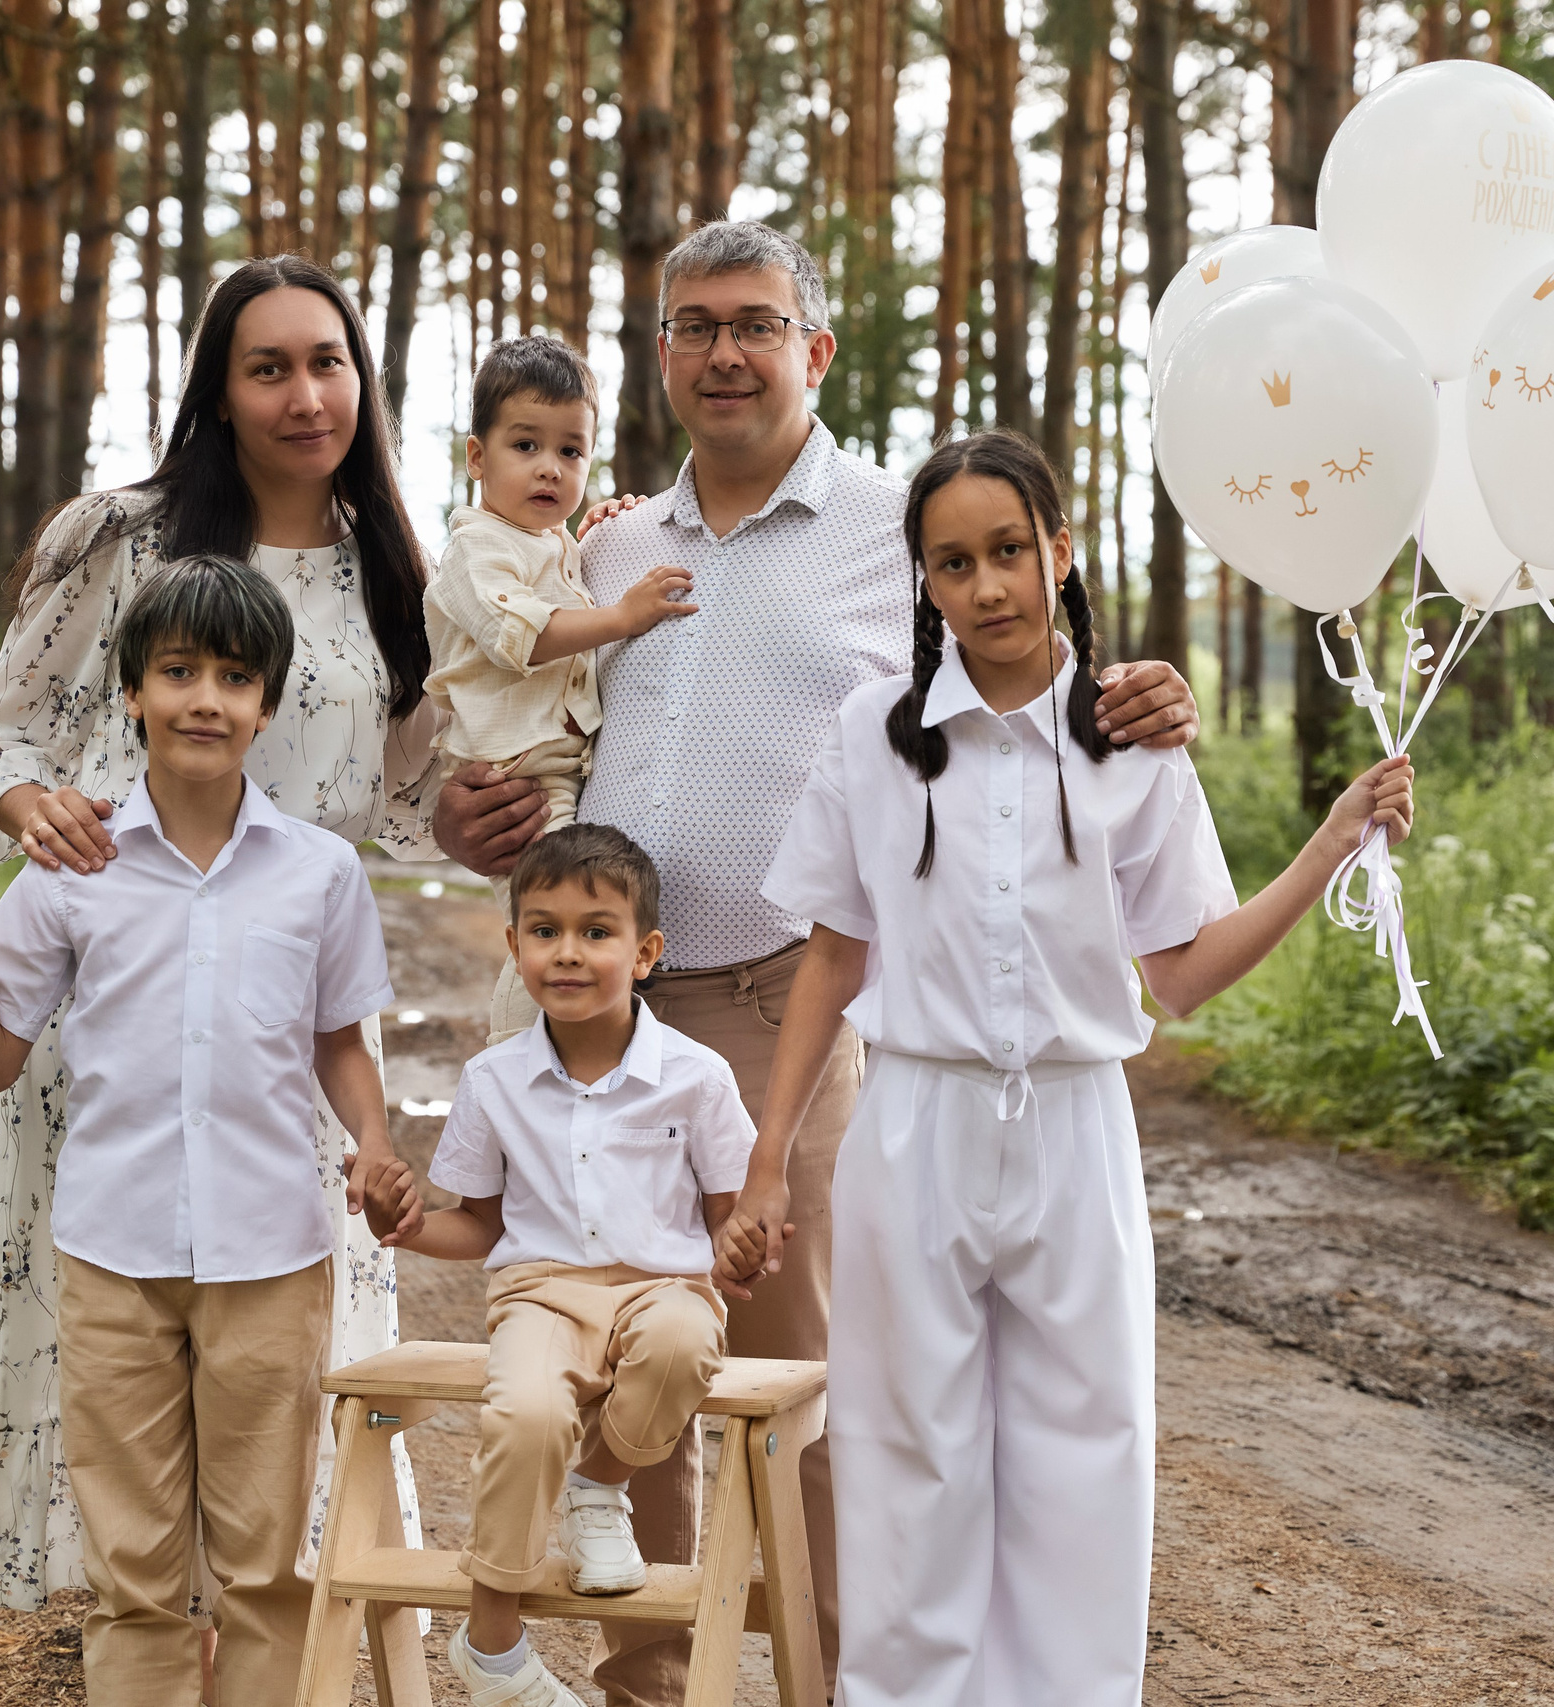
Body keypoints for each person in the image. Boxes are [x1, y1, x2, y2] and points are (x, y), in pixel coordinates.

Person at [435, 220, 1204, 1705]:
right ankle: (649, 1674)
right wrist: (467, 817)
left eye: (758, 323)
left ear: (814, 350)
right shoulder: (602, 544)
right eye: (698, 325)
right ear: (662, 354)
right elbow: (493, 721)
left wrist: (1140, 682)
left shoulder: (886, 530)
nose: (728, 351)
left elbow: (1015, 661)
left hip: (798, 1001)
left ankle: (830, 1675)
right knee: (618, 1353)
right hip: (610, 1020)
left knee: (816, 1377)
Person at [713, 431, 1416, 1707]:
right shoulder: (873, 735)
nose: (986, 588)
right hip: (914, 1121)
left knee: (1084, 1452)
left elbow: (1185, 972)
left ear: (1059, 550)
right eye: (952, 563)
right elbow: (829, 956)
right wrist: (766, 1164)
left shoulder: (1133, 741)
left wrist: (1328, 841)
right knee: (906, 1447)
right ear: (920, 582)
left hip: (1077, 1128)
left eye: (1007, 553)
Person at [0, 255, 442, 1621]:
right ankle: (133, 1614)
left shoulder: (396, 564)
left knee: (290, 1354)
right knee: (118, 1344)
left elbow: (403, 801)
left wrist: (497, 814)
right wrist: (25, 794)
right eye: (267, 366)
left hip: (298, 1020)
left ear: (363, 379)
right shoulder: (124, 536)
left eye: (327, 361)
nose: (303, 393)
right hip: (113, 997)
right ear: (219, 392)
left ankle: (299, 1623)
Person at [0, 557, 426, 1704]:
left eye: (234, 677)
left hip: (272, 1253)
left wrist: (375, 1145)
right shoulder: (70, 866)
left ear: (268, 706)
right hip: (114, 1255)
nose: (205, 698)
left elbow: (341, 1039)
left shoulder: (321, 875)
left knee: (263, 1564)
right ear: (131, 693)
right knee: (133, 1573)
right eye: (178, 671)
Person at [359, 824, 750, 1707]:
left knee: (688, 1340)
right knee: (526, 1411)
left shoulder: (697, 1075)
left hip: (664, 1289)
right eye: (544, 930)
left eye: (596, 931)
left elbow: (728, 1223)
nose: (567, 952)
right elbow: (479, 1228)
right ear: (513, 946)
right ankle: (491, 1642)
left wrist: (745, 1244)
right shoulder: (495, 1079)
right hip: (541, 1293)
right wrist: (406, 1226)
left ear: (645, 952)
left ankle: (598, 1481)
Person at [423, 336, 697, 1041]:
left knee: (563, 911)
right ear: (477, 458)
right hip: (514, 776)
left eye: (571, 452)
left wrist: (599, 530)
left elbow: (561, 579)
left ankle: (554, 1054)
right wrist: (623, 616)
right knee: (559, 916)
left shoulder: (552, 541)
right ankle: (511, 1062)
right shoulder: (475, 546)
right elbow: (523, 637)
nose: (550, 468)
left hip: (557, 771)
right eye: (525, 446)